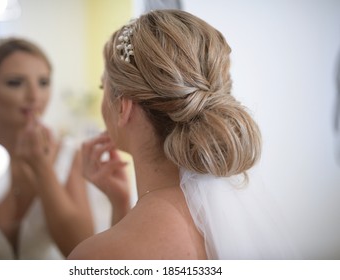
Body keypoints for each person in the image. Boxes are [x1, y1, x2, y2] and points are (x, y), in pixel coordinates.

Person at [67, 9, 297, 259]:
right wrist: (120, 203)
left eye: (104, 87)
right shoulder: (228, 218)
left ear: (123, 107)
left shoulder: (95, 256)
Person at [0, 37, 99, 259]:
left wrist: (42, 169)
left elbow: (81, 250)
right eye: (15, 83)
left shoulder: (68, 155)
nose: (34, 96)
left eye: (43, 82)